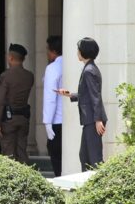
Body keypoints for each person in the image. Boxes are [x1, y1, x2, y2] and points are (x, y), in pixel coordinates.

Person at [57, 37, 107, 170]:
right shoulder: (89, 68)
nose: (77, 52)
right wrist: (69, 95)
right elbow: (87, 95)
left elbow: (95, 96)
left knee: (94, 158)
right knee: (84, 156)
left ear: (84, 51)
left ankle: (99, 181)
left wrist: (98, 120)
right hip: (90, 119)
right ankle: (88, 181)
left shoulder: (89, 70)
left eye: (78, 50)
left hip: (93, 120)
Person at [0, 43, 34, 164]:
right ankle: (26, 175)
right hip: (23, 118)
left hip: (8, 120)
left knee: (8, 155)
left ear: (10, 57)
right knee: (22, 152)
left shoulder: (5, 76)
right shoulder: (29, 76)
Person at [42, 35, 64, 176]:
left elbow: (50, 98)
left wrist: (47, 122)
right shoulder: (72, 65)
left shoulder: (52, 68)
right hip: (71, 120)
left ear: (54, 51)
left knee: (56, 156)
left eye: (48, 50)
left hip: (56, 120)